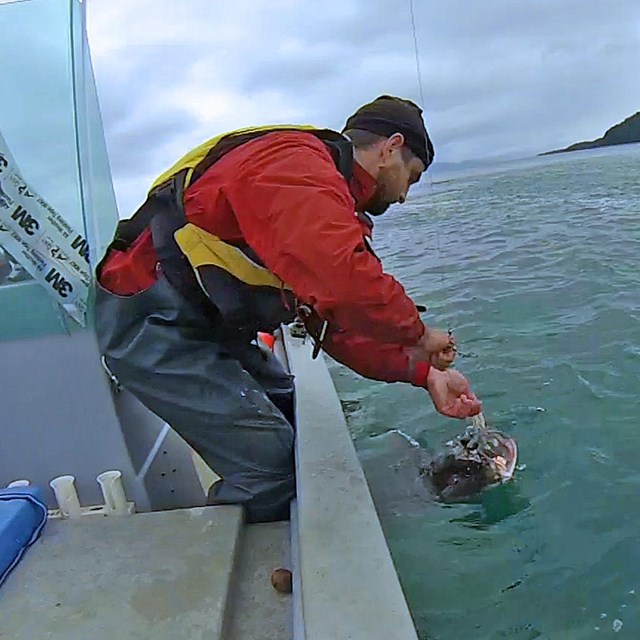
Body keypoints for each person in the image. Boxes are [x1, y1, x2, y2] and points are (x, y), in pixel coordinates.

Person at [94, 95, 481, 523]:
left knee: (295, 416)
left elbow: (335, 325)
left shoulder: (324, 200)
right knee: (271, 466)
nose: (406, 196)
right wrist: (418, 334)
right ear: (390, 148)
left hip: (207, 329)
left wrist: (425, 374)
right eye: (412, 176)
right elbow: (345, 280)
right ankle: (246, 567)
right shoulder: (293, 165)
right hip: (151, 321)